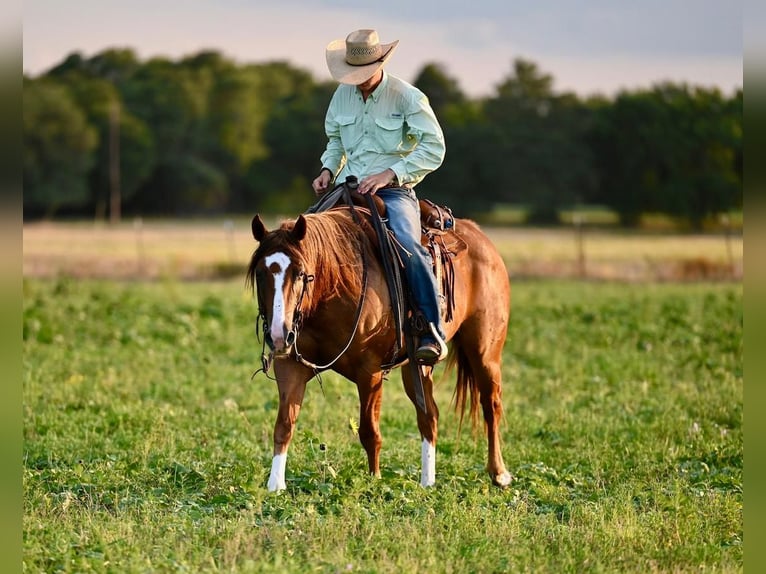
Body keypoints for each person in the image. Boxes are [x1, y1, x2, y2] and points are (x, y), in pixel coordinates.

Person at [312, 29, 447, 363]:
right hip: (346, 186)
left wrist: (391, 173)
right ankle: (305, 327)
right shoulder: (341, 96)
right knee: (305, 240)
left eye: (361, 74)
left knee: (407, 245)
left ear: (379, 62)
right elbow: (335, 141)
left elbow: (434, 147)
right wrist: (328, 170)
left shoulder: (407, 96)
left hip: (394, 189)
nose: (356, 81)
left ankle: (430, 329)